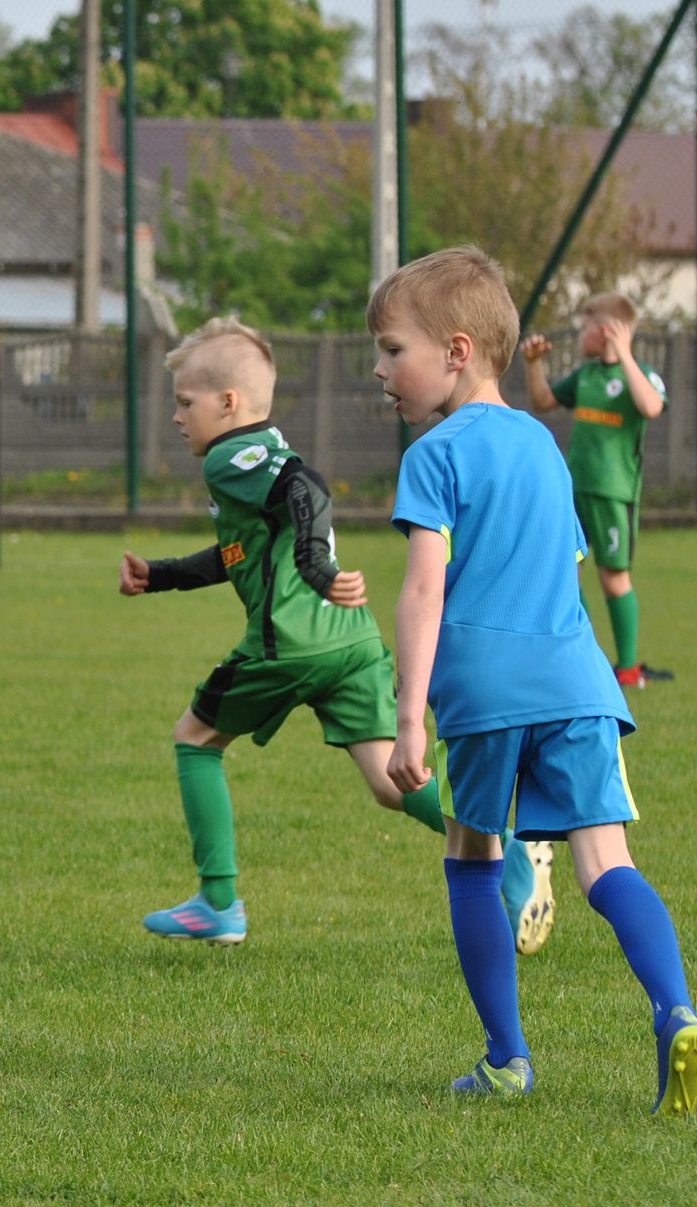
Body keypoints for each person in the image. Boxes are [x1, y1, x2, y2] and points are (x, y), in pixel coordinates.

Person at [375, 245, 697, 1113]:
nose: (381, 372)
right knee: (607, 862)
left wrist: (409, 716)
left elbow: (423, 587)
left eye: (391, 350)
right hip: (578, 679)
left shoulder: (435, 454)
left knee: (474, 854)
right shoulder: (544, 446)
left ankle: (506, 1059)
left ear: (456, 351)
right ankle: (677, 1013)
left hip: (485, 691)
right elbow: (566, 565)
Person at [117, 316, 552, 952]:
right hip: (349, 643)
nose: (178, 417)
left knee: (194, 739)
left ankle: (218, 901)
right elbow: (239, 553)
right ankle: (510, 850)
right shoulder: (254, 453)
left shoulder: (230, 456)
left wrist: (317, 570)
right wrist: (160, 576)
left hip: (289, 644)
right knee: (390, 783)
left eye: (187, 403)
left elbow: (306, 488)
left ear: (229, 403)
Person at [521, 292, 672, 688]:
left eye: (585, 329)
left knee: (613, 577)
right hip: (574, 490)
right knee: (567, 575)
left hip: (613, 493)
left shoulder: (642, 374)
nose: (580, 336)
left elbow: (651, 407)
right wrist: (534, 365)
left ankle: (628, 668)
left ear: (606, 331)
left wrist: (624, 353)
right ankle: (587, 657)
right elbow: (543, 401)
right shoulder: (585, 376)